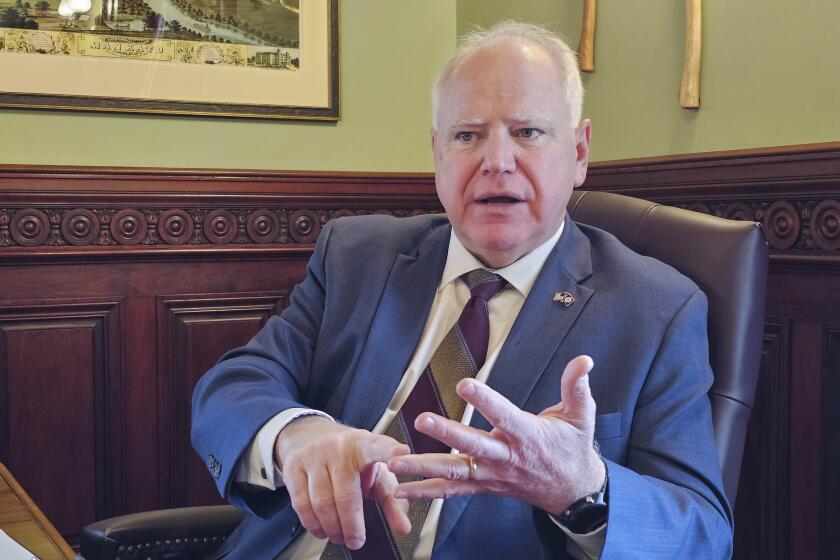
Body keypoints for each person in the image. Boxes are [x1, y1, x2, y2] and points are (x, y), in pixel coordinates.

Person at [192, 21, 733, 559]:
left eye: (528, 132)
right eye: (468, 135)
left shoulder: (656, 309)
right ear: (437, 154)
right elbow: (235, 385)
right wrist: (296, 435)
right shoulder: (358, 256)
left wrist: (582, 489)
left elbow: (703, 537)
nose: (496, 162)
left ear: (580, 152)